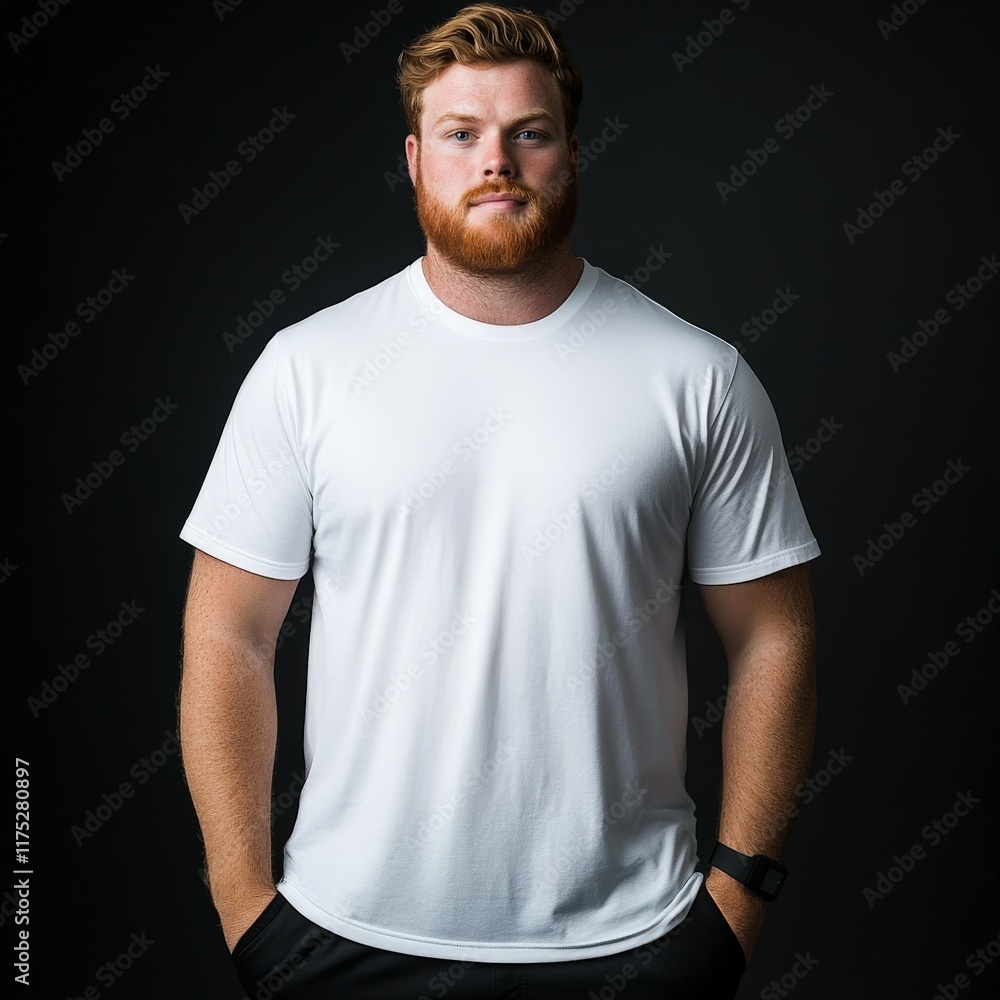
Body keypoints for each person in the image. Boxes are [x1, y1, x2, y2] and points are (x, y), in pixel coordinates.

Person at [177, 4, 820, 998]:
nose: (497, 161)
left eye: (529, 133)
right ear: (414, 157)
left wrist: (735, 900)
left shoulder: (695, 377)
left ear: (570, 152)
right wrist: (243, 904)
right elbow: (227, 631)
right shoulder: (306, 368)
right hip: (337, 939)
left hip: (633, 944)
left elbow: (774, 634)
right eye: (461, 134)